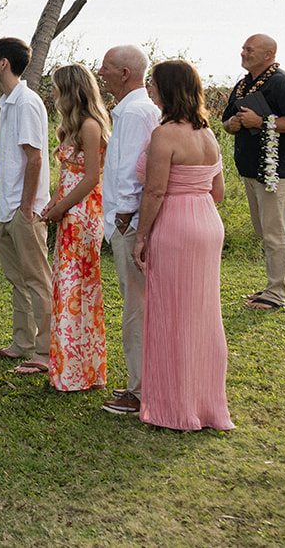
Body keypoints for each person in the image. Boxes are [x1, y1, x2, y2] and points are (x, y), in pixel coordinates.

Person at [134, 59, 233, 432]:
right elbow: (218, 192)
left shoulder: (166, 134)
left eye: (155, 85)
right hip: (207, 222)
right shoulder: (207, 134)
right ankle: (206, 405)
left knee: (171, 313)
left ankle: (175, 407)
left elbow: (156, 190)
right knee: (203, 314)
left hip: (176, 224)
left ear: (167, 89)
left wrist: (142, 235)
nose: (151, 90)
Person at [0, 37, 52, 375]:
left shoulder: (26, 102)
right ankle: (21, 343)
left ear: (4, 63)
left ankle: (46, 353)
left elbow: (34, 159)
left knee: (37, 281)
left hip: (25, 209)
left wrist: (26, 206)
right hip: (5, 207)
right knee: (17, 280)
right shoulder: (7, 103)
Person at [220, 34, 285, 310]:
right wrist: (232, 123)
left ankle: (276, 294)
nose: (243, 53)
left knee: (274, 232)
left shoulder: (283, 82)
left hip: (277, 170)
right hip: (251, 168)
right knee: (264, 230)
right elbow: (225, 121)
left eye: (250, 49)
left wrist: (262, 121)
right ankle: (277, 286)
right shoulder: (243, 83)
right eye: (243, 48)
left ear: (269, 54)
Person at [96, 45, 162, 417]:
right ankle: (139, 382)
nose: (100, 72)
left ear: (124, 73)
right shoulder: (130, 110)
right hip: (123, 221)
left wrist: (125, 218)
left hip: (128, 222)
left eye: (106, 67)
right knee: (135, 304)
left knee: (135, 308)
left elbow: (135, 172)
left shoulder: (137, 112)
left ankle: (139, 389)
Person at [40, 63, 108, 392]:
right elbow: (67, 175)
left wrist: (62, 208)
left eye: (55, 87)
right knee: (65, 289)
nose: (52, 93)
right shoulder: (71, 127)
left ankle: (79, 372)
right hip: (69, 209)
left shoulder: (91, 126)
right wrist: (53, 204)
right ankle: (70, 367)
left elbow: (92, 177)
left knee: (76, 290)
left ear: (70, 90)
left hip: (84, 214)